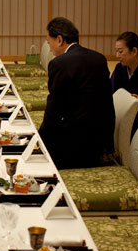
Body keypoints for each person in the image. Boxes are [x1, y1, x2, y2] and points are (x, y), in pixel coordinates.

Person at [39, 17, 115, 169]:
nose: (51, 49)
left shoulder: (59, 64)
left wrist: (40, 139)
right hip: (99, 142)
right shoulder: (99, 58)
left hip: (72, 146)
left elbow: (54, 109)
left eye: (50, 43)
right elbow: (107, 103)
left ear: (59, 39)